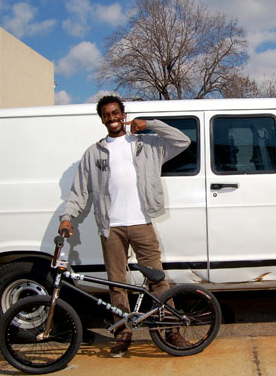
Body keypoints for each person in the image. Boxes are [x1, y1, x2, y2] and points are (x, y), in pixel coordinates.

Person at [58, 95, 191, 358]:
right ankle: (122, 335)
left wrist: (149, 124)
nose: (112, 118)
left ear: (123, 113)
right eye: (107, 114)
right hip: (111, 228)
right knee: (116, 284)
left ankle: (171, 330)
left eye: (116, 113)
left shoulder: (147, 144)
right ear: (102, 119)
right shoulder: (93, 153)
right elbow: (78, 191)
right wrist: (67, 216)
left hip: (142, 222)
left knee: (157, 279)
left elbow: (182, 141)